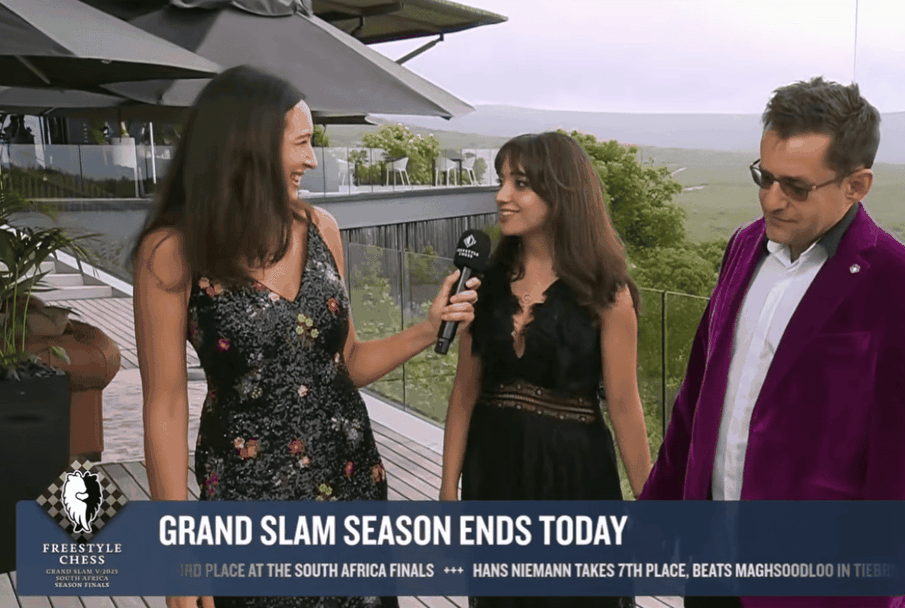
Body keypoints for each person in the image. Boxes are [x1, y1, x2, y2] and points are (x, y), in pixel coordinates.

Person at [131, 66, 479, 608]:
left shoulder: (321, 229)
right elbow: (166, 406)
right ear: (250, 146)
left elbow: (349, 363)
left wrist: (429, 329)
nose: (312, 160)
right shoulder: (173, 251)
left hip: (351, 485)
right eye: (301, 143)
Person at [639, 77, 905, 608]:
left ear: (857, 185)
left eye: (796, 187)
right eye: (764, 177)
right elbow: (697, 394)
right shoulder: (744, 246)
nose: (772, 199)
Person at [440, 132, 652, 608]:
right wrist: (448, 489)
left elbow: (624, 405)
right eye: (501, 180)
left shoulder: (607, 292)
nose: (502, 195)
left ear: (561, 193)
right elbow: (464, 394)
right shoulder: (481, 284)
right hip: (492, 476)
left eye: (520, 183)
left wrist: (652, 504)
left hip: (575, 481)